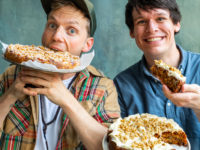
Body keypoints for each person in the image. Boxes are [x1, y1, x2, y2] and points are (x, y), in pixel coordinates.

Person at [0, 0, 120, 149]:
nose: (56, 36)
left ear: (87, 44)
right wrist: (10, 95)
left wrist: (66, 99)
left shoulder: (103, 88)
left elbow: (110, 146)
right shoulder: (11, 76)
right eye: (52, 25)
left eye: (71, 30)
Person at [114, 0, 200, 146]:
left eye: (160, 18)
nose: (151, 28)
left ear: (176, 24)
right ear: (132, 32)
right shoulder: (121, 85)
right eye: (141, 21)